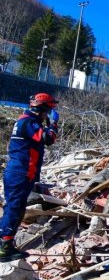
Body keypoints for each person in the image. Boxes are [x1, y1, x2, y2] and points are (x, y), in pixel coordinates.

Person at [0, 93, 58, 262]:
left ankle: (5, 240)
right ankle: (4, 247)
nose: (48, 115)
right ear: (42, 109)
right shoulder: (29, 122)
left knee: (14, 206)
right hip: (21, 171)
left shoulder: (24, 120)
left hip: (18, 170)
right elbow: (48, 138)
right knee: (15, 208)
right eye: (48, 112)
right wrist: (54, 124)